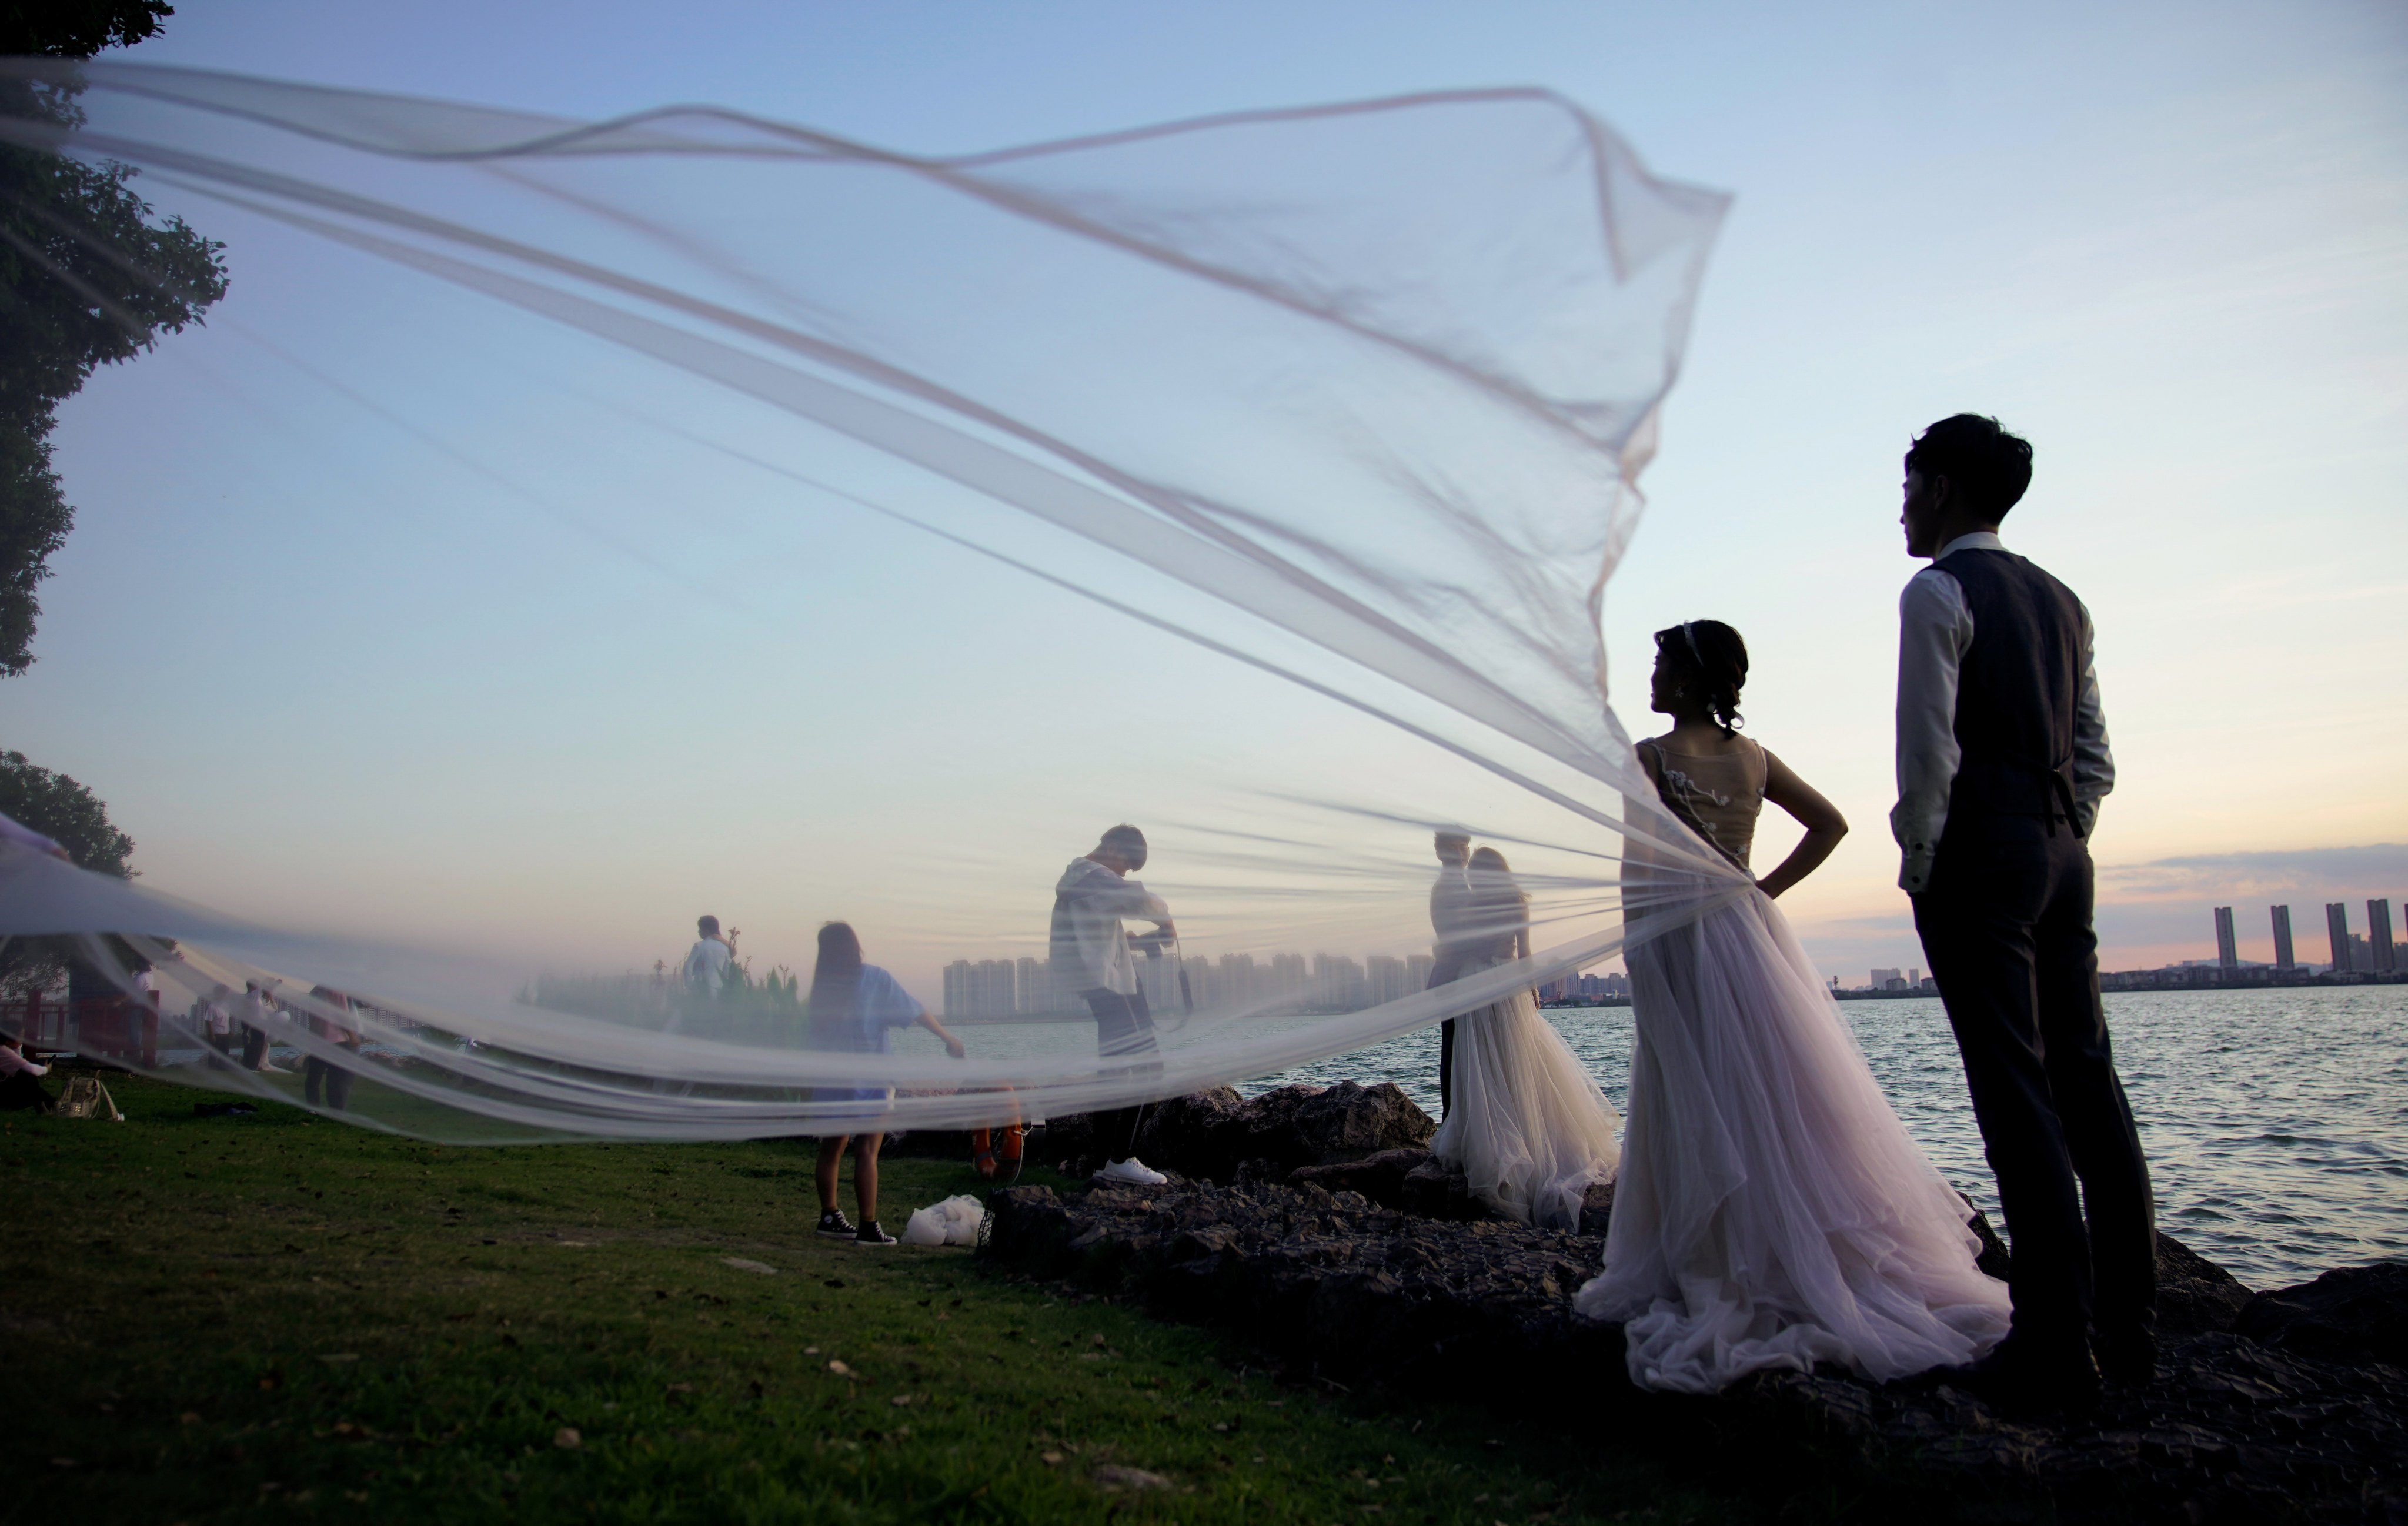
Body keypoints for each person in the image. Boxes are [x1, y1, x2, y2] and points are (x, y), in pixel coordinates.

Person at [1574, 619, 2012, 1394]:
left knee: (1692, 1096)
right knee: (1770, 1098)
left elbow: (1632, 864)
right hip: (1745, 932)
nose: (1650, 677)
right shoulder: (1753, 757)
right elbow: (1831, 825)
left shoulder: (1645, 758)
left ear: (1689, 678)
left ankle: (1714, 1264)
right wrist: (1758, 891)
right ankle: (1784, 1250)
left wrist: (1638, 945)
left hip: (1673, 938)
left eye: (1660, 664)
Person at [1893, 415, 2152, 1407]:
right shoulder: (2064, 601)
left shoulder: (1937, 592)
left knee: (2014, 1090)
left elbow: (1930, 752)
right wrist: (2063, 825)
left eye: (1912, 485)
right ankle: (2130, 1335)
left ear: (1947, 489)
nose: (1904, 505)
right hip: (2061, 849)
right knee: (2088, 1081)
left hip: (1981, 850)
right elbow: (2096, 755)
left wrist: (1924, 859)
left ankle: (2052, 1343)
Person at [1425, 846, 1621, 1228]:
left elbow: (1455, 947)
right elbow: (1526, 953)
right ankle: (1531, 1137)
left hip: (1476, 985)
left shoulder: (1472, 904)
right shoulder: (1517, 902)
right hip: (1509, 985)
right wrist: (1531, 989)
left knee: (1483, 1065)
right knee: (1519, 1064)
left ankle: (1487, 1140)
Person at [805, 921, 966, 1245]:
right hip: (872, 1079)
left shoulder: (823, 988)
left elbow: (813, 1039)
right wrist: (947, 1038)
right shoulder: (873, 978)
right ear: (855, 946)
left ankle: (829, 1216)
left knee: (831, 1149)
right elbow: (915, 1011)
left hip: (832, 1080)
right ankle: (868, 1227)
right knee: (867, 1151)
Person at [1050, 824, 1175, 1187]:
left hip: (1109, 986)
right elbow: (1139, 899)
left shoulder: (1079, 879)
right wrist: (1166, 919)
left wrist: (1131, 940)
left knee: (1115, 1072)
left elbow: (1097, 933)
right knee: (1148, 1068)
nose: (1124, 873)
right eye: (1127, 866)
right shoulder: (1090, 876)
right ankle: (1122, 1158)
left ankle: (1105, 1161)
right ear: (1115, 848)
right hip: (1113, 989)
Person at [1426, 830, 1480, 1118]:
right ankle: (1452, 1119)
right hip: (1454, 976)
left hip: (1459, 973)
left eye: (1466, 847)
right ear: (1440, 853)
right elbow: (1456, 935)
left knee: (1461, 1049)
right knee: (1454, 1049)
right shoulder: (1448, 886)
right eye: (1456, 848)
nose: (1463, 854)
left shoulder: (1460, 883)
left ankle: (1459, 1118)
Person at [303, 985, 360, 1112]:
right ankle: (337, 1110)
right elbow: (341, 1016)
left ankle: (312, 1107)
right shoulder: (336, 990)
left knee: (314, 1077)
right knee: (338, 1079)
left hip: (318, 1038)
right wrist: (352, 1036)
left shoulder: (316, 991)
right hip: (336, 1039)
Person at [682, 916, 733, 1005]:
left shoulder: (698, 946)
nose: (699, 932)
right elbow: (726, 972)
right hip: (718, 990)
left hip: (700, 989)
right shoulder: (725, 949)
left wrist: (689, 985)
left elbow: (687, 968)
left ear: (707, 930)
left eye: (700, 929)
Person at [0, 1035, 53, 1112]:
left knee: (27, 1080)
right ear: (8, 1041)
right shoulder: (3, 1051)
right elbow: (31, 1069)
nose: (23, 1039)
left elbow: (17, 1064)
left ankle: (48, 1105)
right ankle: (50, 1105)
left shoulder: (5, 1049)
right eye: (20, 1036)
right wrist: (46, 1069)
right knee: (27, 1075)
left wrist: (17, 1046)